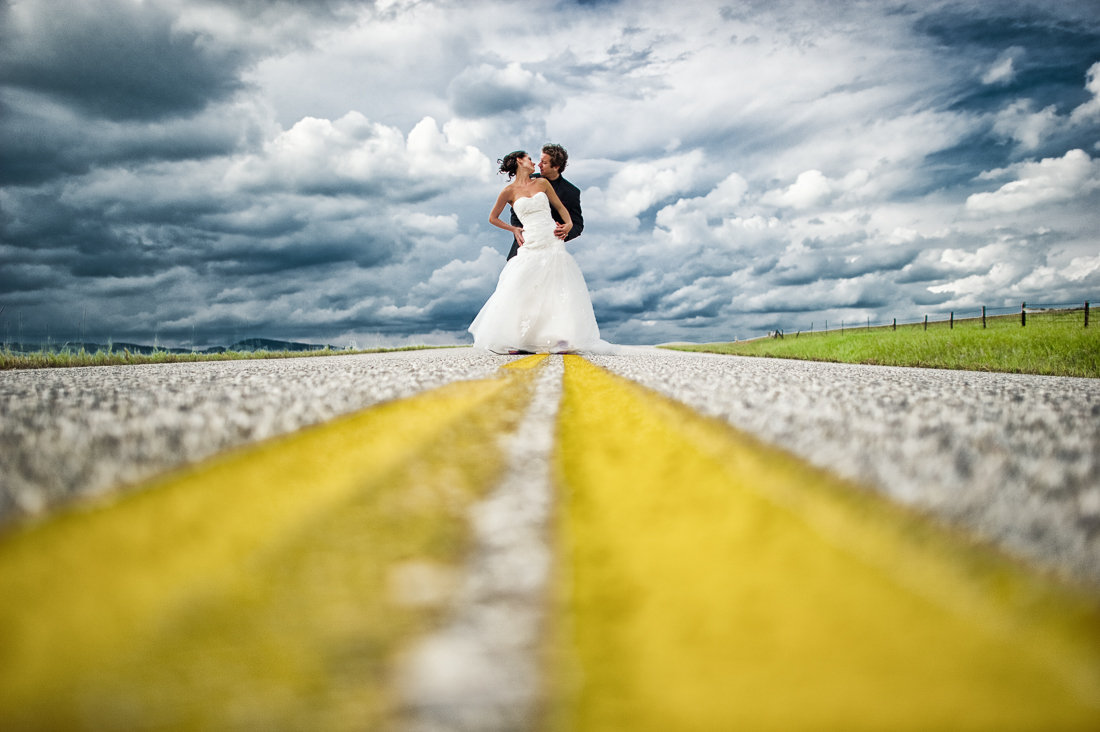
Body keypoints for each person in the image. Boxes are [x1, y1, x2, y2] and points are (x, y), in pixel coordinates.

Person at [469, 150, 612, 354]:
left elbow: (562, 209)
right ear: (519, 161)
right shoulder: (508, 191)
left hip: (551, 239)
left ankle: (560, 339)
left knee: (556, 288)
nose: (536, 162)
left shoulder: (543, 184)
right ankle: (522, 340)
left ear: (556, 166)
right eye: (530, 159)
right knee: (524, 287)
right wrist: (514, 229)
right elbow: (493, 217)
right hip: (529, 240)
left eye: (542, 161)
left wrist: (568, 224)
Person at [506, 143, 583, 260]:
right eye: (540, 160)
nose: (539, 164)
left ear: (556, 166)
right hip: (523, 246)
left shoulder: (572, 192)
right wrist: (518, 231)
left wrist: (564, 232)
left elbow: (577, 225)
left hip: (551, 250)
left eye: (544, 162)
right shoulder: (530, 179)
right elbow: (515, 209)